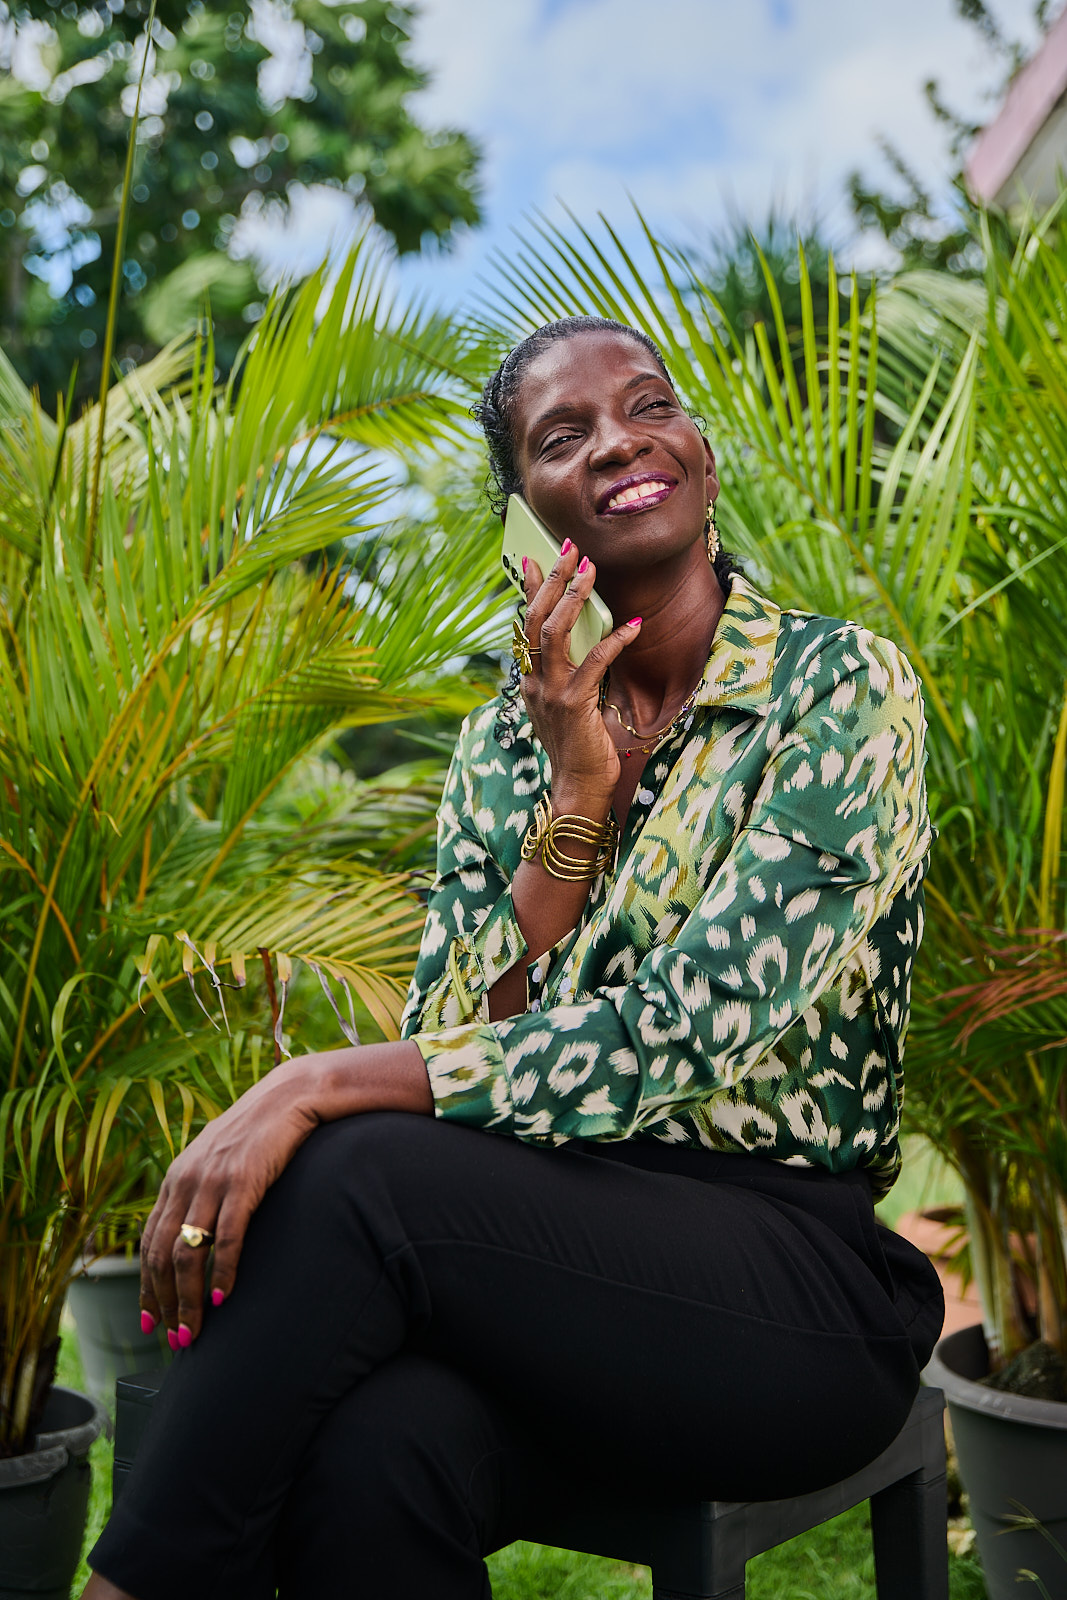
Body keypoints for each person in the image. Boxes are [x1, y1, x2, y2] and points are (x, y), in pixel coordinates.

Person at [83, 316, 944, 1600]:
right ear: (525, 516)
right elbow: (453, 1027)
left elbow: (687, 1026)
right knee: (372, 1453)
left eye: (647, 405)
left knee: (355, 1169)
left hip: (791, 1296)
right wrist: (577, 794)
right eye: (562, 436)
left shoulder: (837, 686)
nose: (618, 443)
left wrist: (310, 1083)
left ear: (699, 453)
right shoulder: (505, 743)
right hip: (550, 1276)